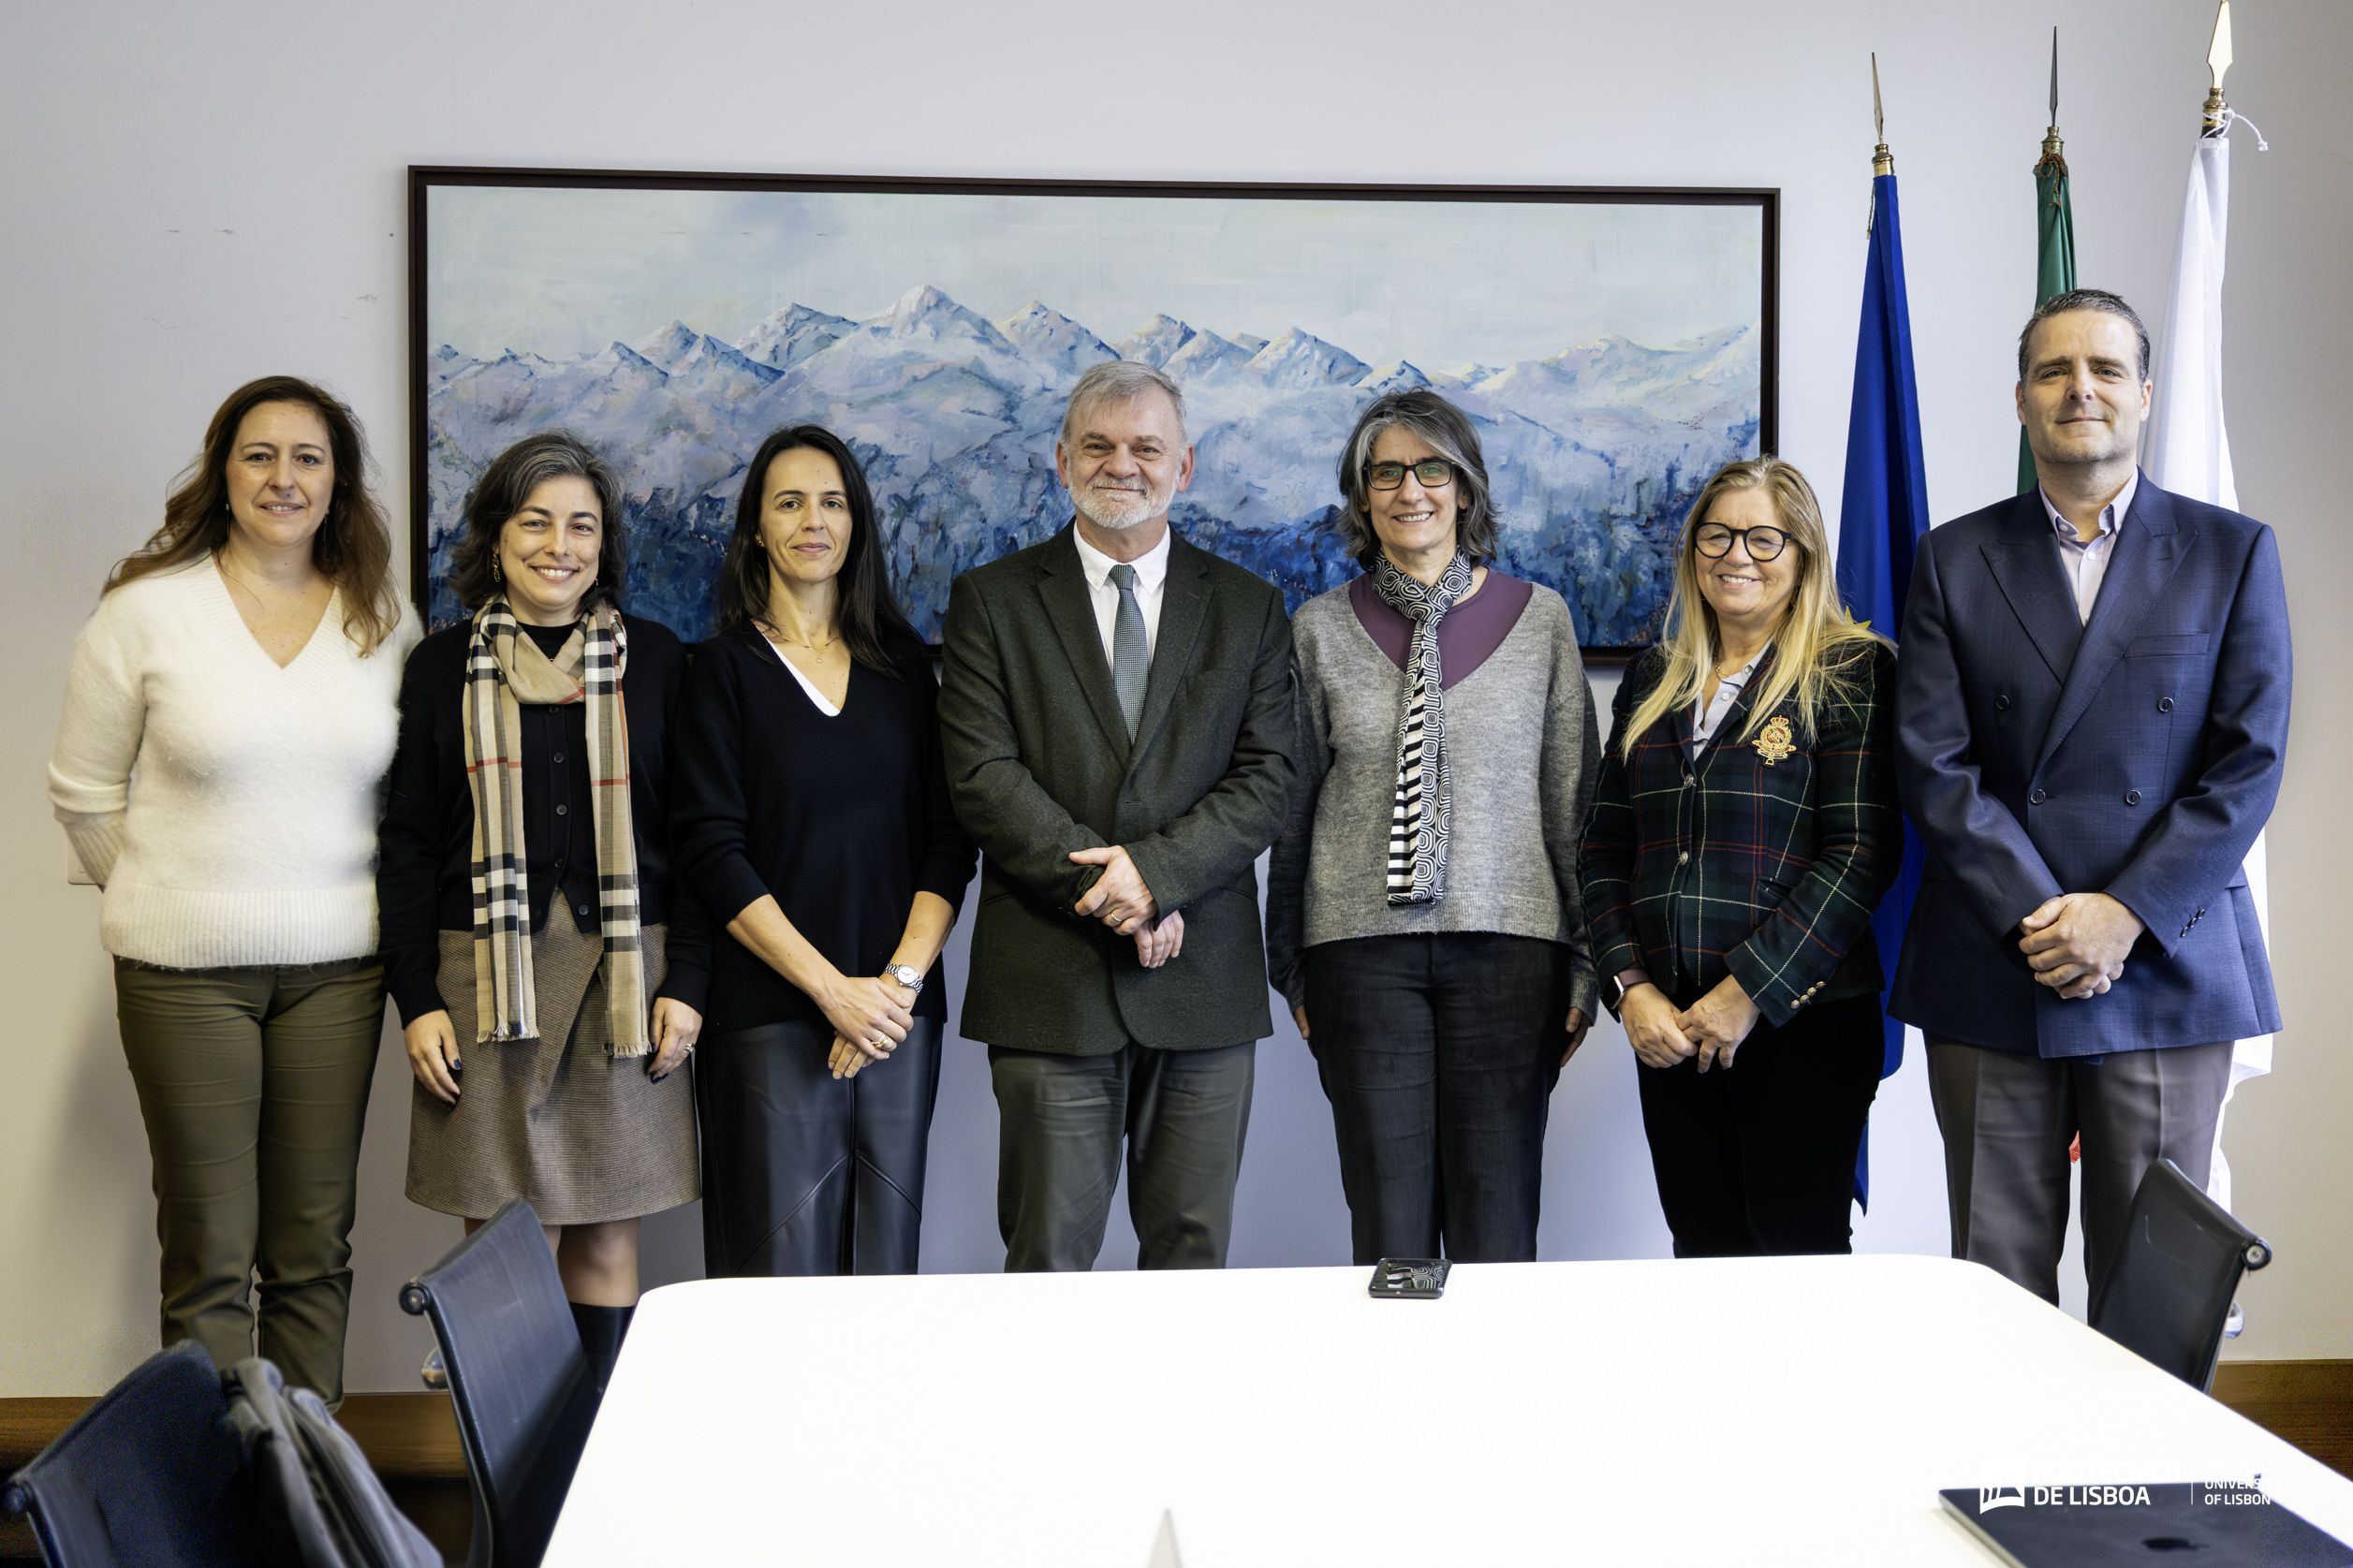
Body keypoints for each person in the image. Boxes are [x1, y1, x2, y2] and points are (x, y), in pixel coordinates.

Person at [1892, 288, 2290, 1305]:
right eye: (2053, 371)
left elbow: (2245, 761)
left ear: (2144, 395)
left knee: (2152, 1285)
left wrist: (2120, 915)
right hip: (1993, 954)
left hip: (2163, 958)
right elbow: (1933, 761)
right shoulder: (1949, 556)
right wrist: (2047, 920)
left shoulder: (2228, 551)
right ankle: (1998, 1471)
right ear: (2019, 400)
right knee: (1992, 1282)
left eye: (2105, 370)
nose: (2080, 390)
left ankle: (2148, 1471)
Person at [47, 375, 419, 1404]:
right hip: (181, 978)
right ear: (223, 470)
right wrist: (172, 892)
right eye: (260, 455)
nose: (283, 478)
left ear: (337, 482)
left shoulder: (379, 620)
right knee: (210, 1248)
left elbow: (407, 798)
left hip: (340, 969)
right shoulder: (145, 613)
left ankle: (309, 1492)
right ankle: (216, 1506)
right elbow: (81, 795)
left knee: (313, 1247)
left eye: (308, 457)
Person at [937, 359, 1295, 1272]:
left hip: (1201, 985)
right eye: (1096, 445)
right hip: (1050, 984)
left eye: (1145, 447)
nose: (1119, 464)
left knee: (1190, 1259)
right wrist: (1119, 892)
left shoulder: (1248, 607)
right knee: (1049, 1261)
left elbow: (1267, 776)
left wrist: (1157, 876)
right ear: (1062, 461)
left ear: (1184, 467)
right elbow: (983, 776)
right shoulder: (992, 600)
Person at [377, 430, 707, 1388]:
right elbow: (406, 844)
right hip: (482, 980)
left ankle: (581, 1481)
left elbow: (696, 840)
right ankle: (506, 1501)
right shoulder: (440, 667)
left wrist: (688, 981)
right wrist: (415, 997)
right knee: (500, 1246)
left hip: (627, 978)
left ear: (604, 546)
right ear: (494, 537)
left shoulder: (656, 661)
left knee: (606, 1232)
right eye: (535, 521)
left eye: (583, 525)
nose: (559, 544)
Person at [1265, 390, 1600, 1265]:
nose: (1409, 489)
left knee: (1497, 1223)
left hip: (1511, 950)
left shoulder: (1543, 621)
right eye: (1386, 472)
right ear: (1362, 494)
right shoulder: (1317, 630)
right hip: (1357, 954)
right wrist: (1289, 961)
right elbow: (1289, 809)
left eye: (1431, 469)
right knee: (1389, 1230)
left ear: (1464, 487)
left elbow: (1573, 807)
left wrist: (1586, 960)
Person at [673, 426, 976, 1277]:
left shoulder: (906, 667)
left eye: (833, 501)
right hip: (770, 1014)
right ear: (757, 529)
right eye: (790, 501)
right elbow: (712, 849)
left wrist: (893, 990)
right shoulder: (721, 671)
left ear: (856, 524)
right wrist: (830, 991)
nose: (814, 520)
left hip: (895, 1018)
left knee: (883, 1266)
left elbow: (949, 841)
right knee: (777, 1275)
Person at [1580, 457, 1901, 1257]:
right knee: (1703, 1253)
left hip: (1802, 1021)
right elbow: (1604, 847)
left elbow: (1861, 851)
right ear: (1692, 550)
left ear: (1803, 555)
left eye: (1764, 537)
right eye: (1717, 535)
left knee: (1794, 1262)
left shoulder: (1852, 670)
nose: (1738, 555)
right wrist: (1630, 989)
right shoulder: (1655, 676)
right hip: (1672, 1026)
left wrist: (1747, 990)